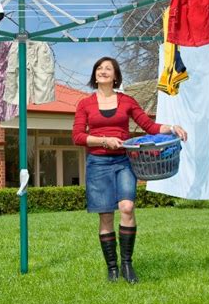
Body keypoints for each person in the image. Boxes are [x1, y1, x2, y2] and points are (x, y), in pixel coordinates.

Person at [72, 57, 187, 284]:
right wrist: (104, 141)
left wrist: (172, 127)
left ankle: (127, 264)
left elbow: (150, 126)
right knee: (106, 216)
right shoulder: (85, 104)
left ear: (115, 76)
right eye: (99, 68)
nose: (103, 71)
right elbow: (77, 136)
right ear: (95, 75)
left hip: (124, 161)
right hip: (98, 163)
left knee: (127, 207)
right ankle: (112, 268)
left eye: (108, 69)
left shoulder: (126, 101)